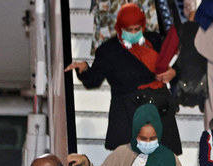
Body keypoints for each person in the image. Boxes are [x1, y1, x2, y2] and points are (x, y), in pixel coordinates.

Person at [65, 2, 183, 154]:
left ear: (143, 26)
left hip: (159, 112)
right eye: (129, 30)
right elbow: (94, 79)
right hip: (128, 113)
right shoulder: (108, 50)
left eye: (137, 29)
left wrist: (173, 73)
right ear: (120, 28)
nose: (133, 33)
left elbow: (177, 66)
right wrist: (85, 69)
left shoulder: (155, 41)